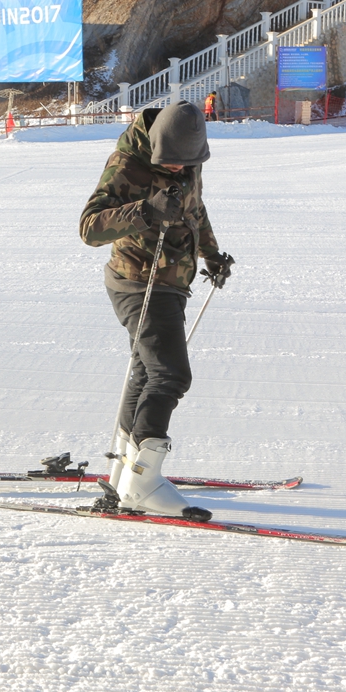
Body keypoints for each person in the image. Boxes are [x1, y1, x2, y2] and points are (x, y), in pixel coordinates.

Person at [79, 101, 234, 521]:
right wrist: (145, 211)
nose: (180, 171)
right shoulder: (127, 163)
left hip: (171, 282)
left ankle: (123, 474)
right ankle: (144, 483)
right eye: (171, 164)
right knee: (171, 374)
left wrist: (211, 253)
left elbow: (194, 208)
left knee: (147, 372)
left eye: (188, 165)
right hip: (137, 283)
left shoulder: (188, 160)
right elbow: (89, 227)